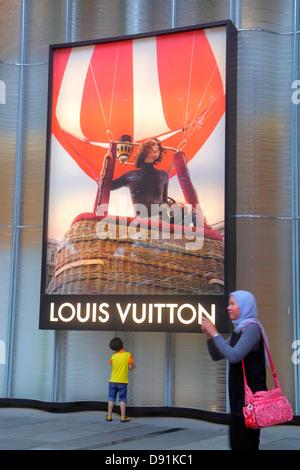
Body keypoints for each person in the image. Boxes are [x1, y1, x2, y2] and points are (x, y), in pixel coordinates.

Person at [201, 290, 268, 450]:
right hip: (239, 399)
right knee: (237, 444)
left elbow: (234, 356)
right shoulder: (239, 330)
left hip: (250, 401)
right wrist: (209, 337)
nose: (228, 307)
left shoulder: (251, 328)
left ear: (245, 306)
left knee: (246, 445)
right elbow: (217, 355)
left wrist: (215, 333)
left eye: (233, 303)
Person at [110, 138, 169, 218]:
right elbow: (108, 186)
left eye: (158, 145)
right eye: (153, 144)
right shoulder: (130, 175)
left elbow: (165, 202)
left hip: (159, 223)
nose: (157, 147)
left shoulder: (164, 175)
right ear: (144, 150)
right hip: (140, 225)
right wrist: (107, 161)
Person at [105, 337, 136, 423]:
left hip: (113, 381)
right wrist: (133, 366)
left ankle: (109, 416)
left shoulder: (113, 356)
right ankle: (123, 417)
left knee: (111, 399)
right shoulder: (127, 355)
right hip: (122, 381)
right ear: (122, 344)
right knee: (122, 399)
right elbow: (129, 367)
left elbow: (113, 366)